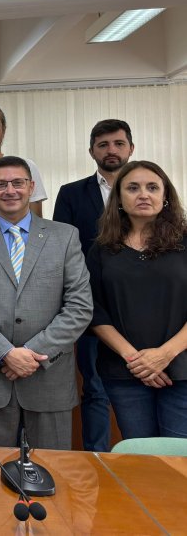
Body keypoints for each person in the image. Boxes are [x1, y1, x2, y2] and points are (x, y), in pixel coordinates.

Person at [0, 156, 92, 450]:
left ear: (31, 187)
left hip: (48, 373)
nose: (10, 190)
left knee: (53, 471)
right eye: (0, 184)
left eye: (18, 183)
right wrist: (5, 353)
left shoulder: (64, 236)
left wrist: (30, 353)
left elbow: (79, 306)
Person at [88, 160, 187, 440]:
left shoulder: (186, 242)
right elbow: (95, 310)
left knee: (179, 463)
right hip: (124, 372)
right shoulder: (102, 250)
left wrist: (164, 355)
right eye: (133, 188)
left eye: (152, 187)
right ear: (119, 198)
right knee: (139, 459)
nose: (143, 194)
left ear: (165, 196)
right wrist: (136, 360)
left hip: (182, 370)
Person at [53, 119, 134, 452]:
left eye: (117, 143)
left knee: (141, 384)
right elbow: (60, 252)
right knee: (96, 390)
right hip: (89, 308)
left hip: (138, 308)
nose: (111, 150)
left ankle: (141, 458)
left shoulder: (146, 190)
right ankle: (97, 458)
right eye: (103, 145)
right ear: (92, 151)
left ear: (130, 148)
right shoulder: (72, 194)